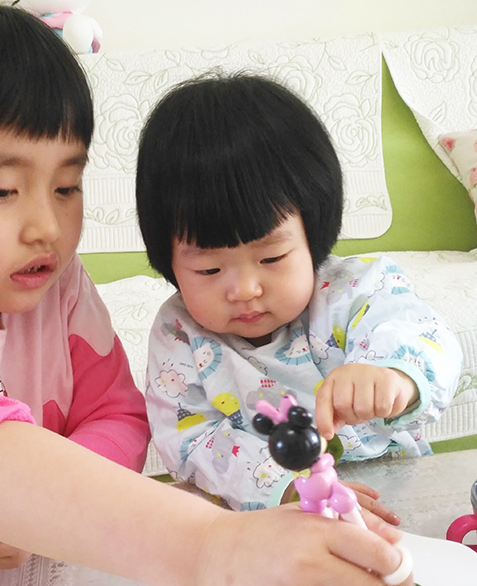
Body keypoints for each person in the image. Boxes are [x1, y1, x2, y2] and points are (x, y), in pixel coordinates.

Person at [0, 0, 412, 586]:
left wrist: (36, 514)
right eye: (3, 191)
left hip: (55, 577)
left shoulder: (58, 287)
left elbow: (118, 417)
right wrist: (214, 550)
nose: (47, 227)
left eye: (65, 186)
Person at [137, 73, 462, 513]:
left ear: (313, 233)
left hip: (390, 498)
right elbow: (191, 441)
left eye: (271, 259)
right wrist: (290, 487)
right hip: (269, 519)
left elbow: (428, 338)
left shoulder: (358, 290)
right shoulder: (180, 334)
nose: (245, 289)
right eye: (209, 268)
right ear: (169, 261)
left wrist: (394, 376)